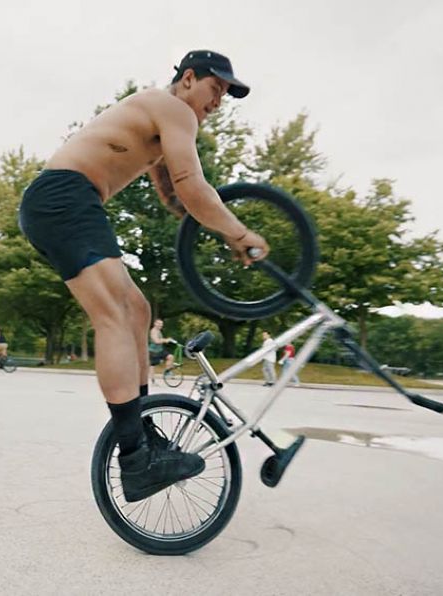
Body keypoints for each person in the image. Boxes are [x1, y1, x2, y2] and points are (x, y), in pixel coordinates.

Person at [18, 49, 268, 502]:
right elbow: (194, 187)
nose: (218, 102)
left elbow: (177, 198)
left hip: (66, 201)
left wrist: (216, 230)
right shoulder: (173, 109)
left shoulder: (157, 121)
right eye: (216, 89)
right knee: (114, 314)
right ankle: (135, 459)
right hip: (65, 197)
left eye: (226, 96)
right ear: (189, 79)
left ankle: (144, 435)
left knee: (137, 310)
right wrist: (239, 230)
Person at [148, 319, 176, 384]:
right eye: (159, 324)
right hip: (154, 352)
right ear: (155, 324)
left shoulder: (158, 331)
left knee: (170, 357)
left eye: (161, 324)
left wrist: (168, 339)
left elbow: (160, 339)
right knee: (152, 365)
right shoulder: (153, 331)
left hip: (160, 350)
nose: (160, 325)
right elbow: (156, 341)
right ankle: (153, 381)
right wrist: (166, 340)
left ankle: (167, 372)